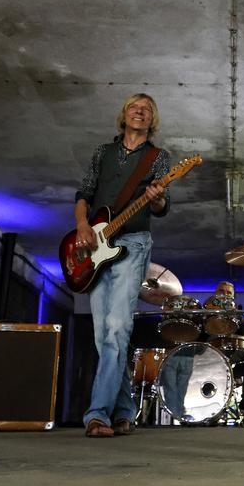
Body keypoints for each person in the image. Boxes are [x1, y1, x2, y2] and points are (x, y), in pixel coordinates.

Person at [75, 93, 171, 437]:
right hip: (96, 246)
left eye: (147, 109)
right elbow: (85, 194)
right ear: (124, 114)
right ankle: (124, 410)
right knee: (104, 335)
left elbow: (162, 207)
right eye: (134, 107)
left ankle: (97, 415)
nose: (140, 112)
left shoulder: (159, 158)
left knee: (117, 328)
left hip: (133, 244)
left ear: (152, 119)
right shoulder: (103, 153)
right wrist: (83, 226)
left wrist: (157, 198)